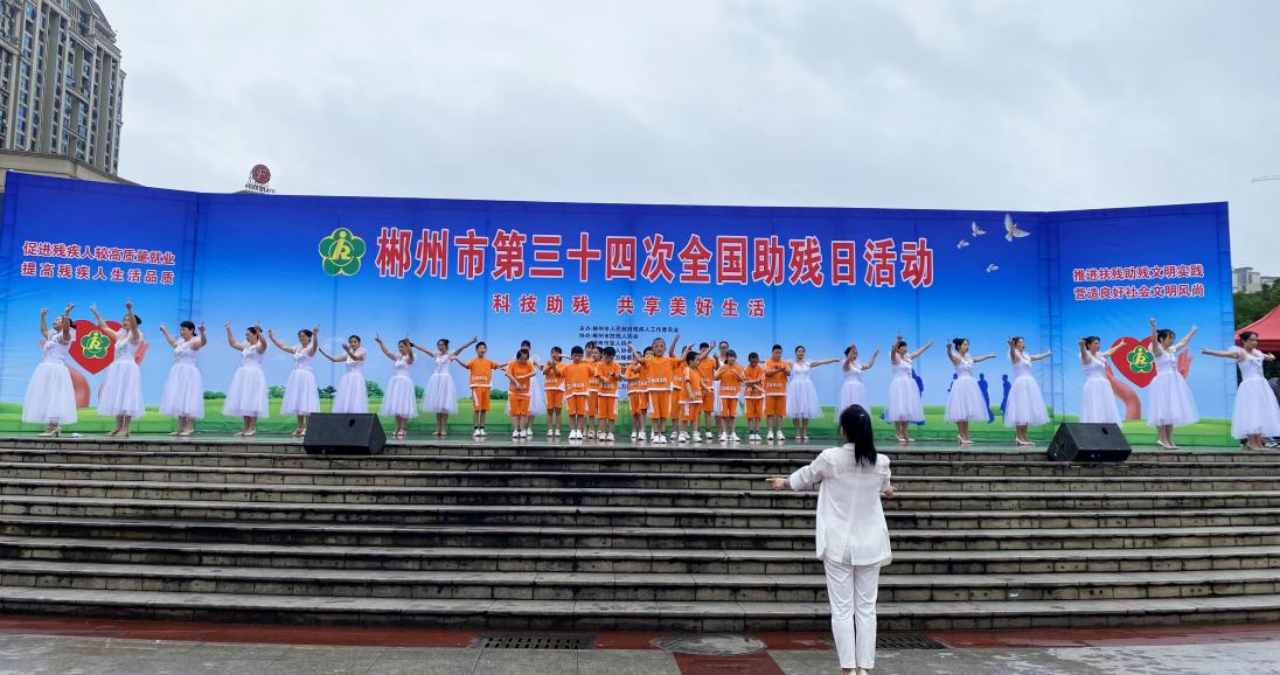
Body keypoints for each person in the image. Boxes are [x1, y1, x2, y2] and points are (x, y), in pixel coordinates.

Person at [767, 405, 895, 675]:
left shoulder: (831, 457)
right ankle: (864, 668)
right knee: (866, 609)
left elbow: (807, 475)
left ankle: (848, 668)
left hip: (838, 543)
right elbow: (884, 485)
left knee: (842, 609)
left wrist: (784, 483)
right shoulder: (881, 462)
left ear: (843, 430)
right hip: (870, 544)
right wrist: (887, 490)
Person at [1202, 331, 1280, 451]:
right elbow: (1225, 354)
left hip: (1261, 386)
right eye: (1252, 340)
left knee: (1260, 412)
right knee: (1251, 413)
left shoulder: (1258, 353)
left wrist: (1272, 357)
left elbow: (1268, 357)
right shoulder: (1241, 353)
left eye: (1256, 340)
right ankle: (1251, 442)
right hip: (1249, 387)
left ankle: (1258, 442)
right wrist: (1210, 352)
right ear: (1244, 341)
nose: (1255, 342)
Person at [89, 301, 145, 438]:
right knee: (117, 396)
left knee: (127, 397)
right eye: (124, 319)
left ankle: (126, 428)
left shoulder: (136, 335)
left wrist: (130, 310)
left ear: (134, 323)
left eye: (128, 320)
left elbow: (134, 328)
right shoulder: (120, 335)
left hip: (128, 368)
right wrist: (96, 312)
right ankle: (118, 426)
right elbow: (104, 327)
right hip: (117, 368)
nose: (125, 322)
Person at [22, 303, 78, 437]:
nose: (54, 321)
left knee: (55, 397)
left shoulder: (66, 336)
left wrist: (67, 313)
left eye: (57, 320)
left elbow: (66, 329)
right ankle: (52, 426)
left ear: (64, 323)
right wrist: (42, 317)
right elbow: (44, 331)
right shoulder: (52, 335)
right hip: (45, 368)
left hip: (56, 370)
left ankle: (55, 426)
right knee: (47, 396)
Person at [1146, 318, 1199, 449]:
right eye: (1169, 338)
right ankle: (1162, 438)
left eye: (1173, 338)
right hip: (1162, 383)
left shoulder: (1171, 350)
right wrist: (1153, 328)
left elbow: (1183, 342)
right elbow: (1154, 342)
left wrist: (1192, 331)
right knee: (1161, 411)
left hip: (1173, 383)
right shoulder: (1158, 351)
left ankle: (1169, 439)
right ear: (1161, 339)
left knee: (1171, 411)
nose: (1172, 340)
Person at [414, 336, 477, 437]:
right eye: (438, 345)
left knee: (445, 406)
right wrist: (414, 345)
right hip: (436, 380)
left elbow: (462, 348)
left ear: (446, 346)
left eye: (442, 345)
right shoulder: (436, 355)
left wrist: (471, 342)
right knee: (437, 406)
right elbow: (424, 349)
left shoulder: (450, 355)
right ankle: (438, 427)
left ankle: (443, 427)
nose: (440, 347)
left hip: (445, 381)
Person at [268, 326, 321, 437]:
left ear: (309, 337)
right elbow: (282, 346)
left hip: (306, 376)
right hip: (296, 376)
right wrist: (272, 337)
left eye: (303, 336)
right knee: (298, 402)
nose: (301, 338)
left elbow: (315, 346)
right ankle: (300, 427)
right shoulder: (297, 348)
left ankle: (307, 428)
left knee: (306, 402)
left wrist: (316, 336)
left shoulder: (310, 348)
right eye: (299, 336)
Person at [158, 319, 207, 436]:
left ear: (191, 330)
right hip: (178, 373)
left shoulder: (194, 341)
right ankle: (180, 427)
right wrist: (165, 331)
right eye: (180, 330)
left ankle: (189, 427)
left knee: (190, 399)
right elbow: (172, 342)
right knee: (179, 399)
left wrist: (202, 333)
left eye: (184, 330)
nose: (181, 332)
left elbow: (203, 342)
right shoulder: (181, 342)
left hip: (189, 373)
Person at [945, 338, 996, 445]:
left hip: (970, 385)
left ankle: (965, 435)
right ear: (959, 346)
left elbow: (976, 359)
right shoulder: (956, 357)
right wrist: (949, 348)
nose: (967, 346)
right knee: (961, 412)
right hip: (961, 385)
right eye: (965, 344)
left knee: (966, 412)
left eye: (968, 345)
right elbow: (950, 355)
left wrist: (988, 356)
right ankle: (961, 435)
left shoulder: (968, 357)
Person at [222, 322, 269, 437]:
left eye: (248, 334)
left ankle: (252, 428)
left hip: (254, 375)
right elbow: (233, 343)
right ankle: (246, 428)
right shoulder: (246, 345)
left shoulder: (259, 347)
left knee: (253, 401)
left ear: (255, 334)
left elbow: (264, 343)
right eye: (246, 334)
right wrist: (228, 330)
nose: (246, 336)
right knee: (244, 401)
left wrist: (259, 333)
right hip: (243, 375)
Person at [885, 333, 934, 444]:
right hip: (899, 385)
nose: (905, 349)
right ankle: (898, 432)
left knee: (906, 409)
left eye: (906, 347)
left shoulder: (907, 358)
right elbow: (893, 351)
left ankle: (905, 432)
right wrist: (898, 341)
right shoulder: (894, 358)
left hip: (909, 385)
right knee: (898, 409)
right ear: (898, 349)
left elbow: (918, 352)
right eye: (903, 347)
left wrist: (927, 345)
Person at [1004, 336, 1052, 446]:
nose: (1023, 343)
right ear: (1015, 344)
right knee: (1020, 410)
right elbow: (1012, 354)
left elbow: (1036, 357)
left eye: (1023, 342)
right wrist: (1011, 347)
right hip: (1021, 384)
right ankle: (1019, 437)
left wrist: (1047, 354)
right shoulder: (1014, 355)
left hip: (1030, 384)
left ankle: (1024, 437)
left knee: (1026, 410)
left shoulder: (1026, 355)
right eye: (1020, 342)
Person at [788, 345, 840, 441]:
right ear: (795, 353)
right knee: (796, 410)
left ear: (804, 353)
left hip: (806, 388)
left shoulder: (808, 363)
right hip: (795, 388)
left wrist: (833, 360)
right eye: (799, 351)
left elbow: (821, 362)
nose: (800, 353)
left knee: (806, 411)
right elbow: (775, 361)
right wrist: (760, 361)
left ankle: (804, 432)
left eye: (802, 351)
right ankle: (797, 432)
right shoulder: (791, 363)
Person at [375, 336, 418, 439]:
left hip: (405, 383)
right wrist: (380, 342)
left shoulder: (411, 356)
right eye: (399, 347)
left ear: (407, 347)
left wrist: (409, 345)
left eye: (402, 346)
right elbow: (387, 352)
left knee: (403, 406)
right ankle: (397, 426)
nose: (400, 348)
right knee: (396, 405)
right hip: (396, 383)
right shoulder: (398, 357)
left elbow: (411, 356)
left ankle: (402, 428)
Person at [460, 341, 505, 438]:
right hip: (476, 387)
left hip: (486, 387)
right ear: (476, 350)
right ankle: (476, 429)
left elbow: (499, 365)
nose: (482, 349)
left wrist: (512, 361)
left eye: (484, 348)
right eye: (480, 348)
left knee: (484, 409)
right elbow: (465, 365)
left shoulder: (489, 362)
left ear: (486, 350)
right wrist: (457, 359)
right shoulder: (473, 361)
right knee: (477, 409)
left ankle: (482, 428)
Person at [318, 335, 368, 415]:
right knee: (345, 399)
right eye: (350, 342)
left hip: (356, 378)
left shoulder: (362, 352)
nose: (352, 343)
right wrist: (323, 353)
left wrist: (348, 350)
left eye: (355, 342)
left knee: (355, 399)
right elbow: (335, 359)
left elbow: (355, 358)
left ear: (359, 343)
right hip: (347, 378)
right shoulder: (348, 354)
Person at [1078, 337, 1122, 425]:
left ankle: (1107, 429)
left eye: (1099, 343)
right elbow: (1085, 358)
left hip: (1103, 385)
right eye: (1096, 343)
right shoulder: (1085, 355)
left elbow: (1109, 352)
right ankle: (1094, 429)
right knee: (1095, 407)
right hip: (1093, 385)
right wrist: (1082, 347)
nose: (1098, 345)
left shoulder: (1099, 355)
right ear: (1089, 345)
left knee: (1105, 407)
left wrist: (1120, 345)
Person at [836, 344, 878, 420]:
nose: (855, 355)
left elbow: (868, 365)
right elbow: (848, 360)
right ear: (848, 354)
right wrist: (852, 349)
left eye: (856, 353)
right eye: (853, 353)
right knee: (848, 408)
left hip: (859, 389)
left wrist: (874, 355)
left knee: (859, 408)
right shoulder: (845, 364)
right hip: (849, 388)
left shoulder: (857, 365)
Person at [505, 348, 538, 439]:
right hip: (513, 392)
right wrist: (516, 382)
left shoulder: (528, 363)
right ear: (517, 358)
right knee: (514, 412)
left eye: (525, 359)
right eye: (521, 359)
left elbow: (534, 372)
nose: (523, 361)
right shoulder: (512, 363)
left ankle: (522, 430)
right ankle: (516, 430)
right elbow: (508, 374)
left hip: (525, 392)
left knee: (524, 413)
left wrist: (524, 376)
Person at [561, 346, 592, 440]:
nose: (577, 357)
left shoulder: (587, 366)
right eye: (575, 355)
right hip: (570, 393)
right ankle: (572, 431)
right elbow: (559, 374)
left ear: (582, 356)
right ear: (571, 356)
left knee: (581, 413)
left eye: (579, 355)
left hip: (583, 393)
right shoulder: (567, 367)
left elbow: (596, 373)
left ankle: (579, 431)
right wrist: (553, 366)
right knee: (571, 413)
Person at [714, 350, 746, 443]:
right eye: (730, 356)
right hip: (724, 395)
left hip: (734, 395)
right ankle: (725, 433)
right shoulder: (722, 367)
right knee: (724, 415)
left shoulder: (738, 367)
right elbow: (715, 378)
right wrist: (721, 372)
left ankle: (732, 433)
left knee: (732, 415)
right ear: (727, 358)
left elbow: (743, 380)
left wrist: (737, 374)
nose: (732, 358)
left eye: (734, 357)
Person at [763, 344, 791, 442]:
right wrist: (779, 369)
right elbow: (767, 373)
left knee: (780, 414)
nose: (778, 354)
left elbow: (789, 373)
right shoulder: (767, 362)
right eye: (776, 353)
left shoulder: (784, 363)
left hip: (781, 392)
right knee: (769, 414)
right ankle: (770, 432)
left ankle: (779, 432)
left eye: (780, 353)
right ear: (772, 353)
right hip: (769, 392)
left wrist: (783, 369)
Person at [595, 346, 623, 442]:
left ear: (614, 356)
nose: (608, 359)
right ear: (603, 355)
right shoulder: (600, 365)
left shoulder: (616, 365)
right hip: (602, 394)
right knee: (602, 415)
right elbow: (598, 375)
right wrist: (604, 379)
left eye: (611, 357)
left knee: (612, 415)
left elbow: (619, 377)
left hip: (613, 394)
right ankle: (602, 433)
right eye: (607, 357)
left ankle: (610, 433)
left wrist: (614, 375)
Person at [624, 352, 649, 441]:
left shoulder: (644, 366)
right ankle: (634, 431)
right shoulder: (630, 367)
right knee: (634, 413)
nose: (636, 359)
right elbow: (626, 377)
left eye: (638, 357)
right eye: (634, 357)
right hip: (632, 392)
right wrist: (635, 377)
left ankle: (642, 431)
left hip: (641, 392)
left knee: (641, 412)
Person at [543, 347, 566, 438]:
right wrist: (550, 366)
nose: (554, 354)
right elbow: (544, 372)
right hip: (548, 389)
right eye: (552, 352)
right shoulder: (547, 363)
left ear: (560, 355)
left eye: (557, 353)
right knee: (549, 410)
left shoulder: (563, 365)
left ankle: (557, 430)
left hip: (559, 389)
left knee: (558, 411)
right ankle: (549, 430)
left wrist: (554, 366)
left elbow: (559, 374)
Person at [743, 352, 766, 442]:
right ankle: (751, 432)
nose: (754, 363)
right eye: (752, 362)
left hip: (759, 396)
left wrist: (751, 382)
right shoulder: (746, 370)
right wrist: (758, 386)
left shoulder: (761, 369)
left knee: (758, 415)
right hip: (749, 396)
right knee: (750, 416)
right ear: (749, 360)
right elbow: (749, 382)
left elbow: (760, 379)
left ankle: (757, 432)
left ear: (758, 360)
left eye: (756, 361)